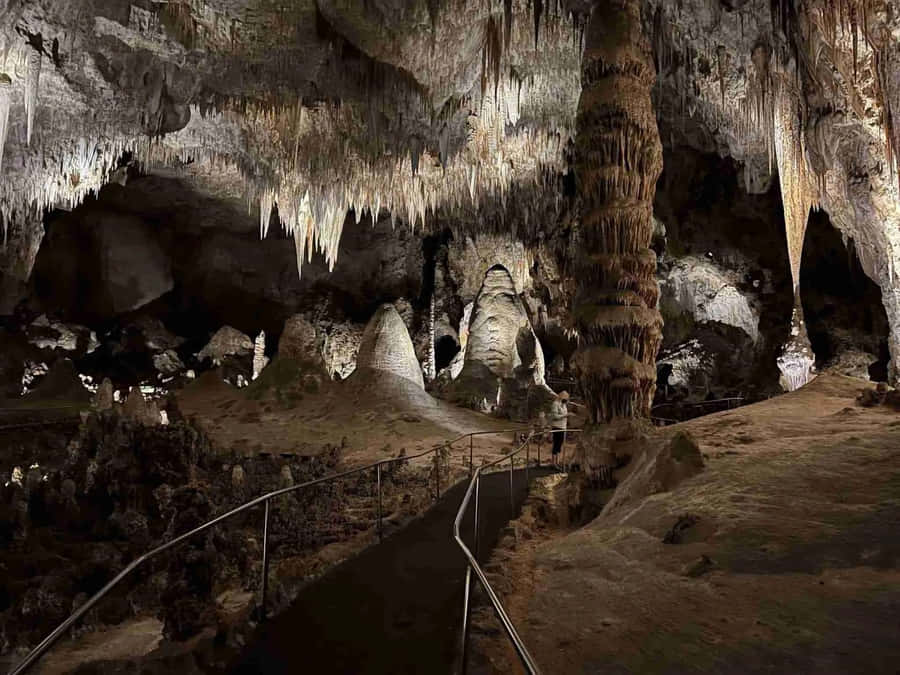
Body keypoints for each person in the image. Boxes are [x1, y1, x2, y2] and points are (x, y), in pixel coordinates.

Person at [550, 391, 570, 468]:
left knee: (559, 445)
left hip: (563, 427)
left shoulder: (564, 404)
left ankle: (557, 461)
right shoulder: (555, 404)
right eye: (566, 398)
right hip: (557, 427)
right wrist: (566, 415)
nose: (566, 399)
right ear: (561, 396)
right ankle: (553, 463)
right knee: (556, 444)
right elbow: (555, 416)